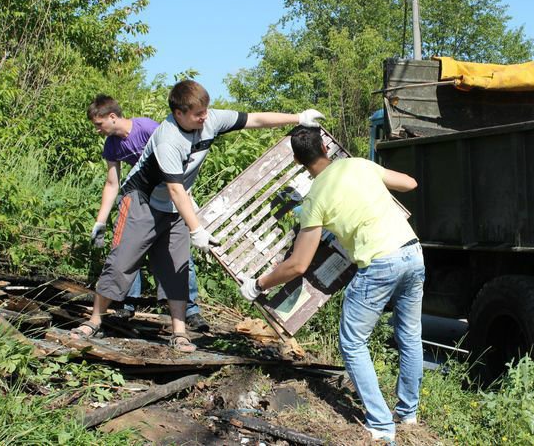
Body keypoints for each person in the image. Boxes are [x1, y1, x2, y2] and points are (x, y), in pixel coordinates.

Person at [71, 80, 325, 353]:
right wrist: (197, 230)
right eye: (197, 113)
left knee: (177, 266)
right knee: (122, 262)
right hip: (142, 201)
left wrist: (299, 117)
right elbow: (175, 189)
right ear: (179, 114)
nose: (205, 116)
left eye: (205, 110)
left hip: (175, 205)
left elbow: (255, 119)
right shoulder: (168, 139)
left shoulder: (210, 118)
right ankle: (94, 320)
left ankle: (179, 333)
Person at [239, 127, 424, 445]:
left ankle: (381, 426)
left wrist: (258, 284)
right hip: (412, 251)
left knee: (353, 343)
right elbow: (409, 183)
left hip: (379, 262)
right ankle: (407, 414)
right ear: (325, 146)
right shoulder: (360, 165)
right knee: (409, 336)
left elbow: (298, 264)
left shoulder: (315, 199)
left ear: (298, 161)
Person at [87, 95, 209, 331]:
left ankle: (191, 311)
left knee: (179, 256)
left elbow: (179, 157)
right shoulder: (112, 144)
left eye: (99, 124)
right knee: (128, 250)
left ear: (112, 117)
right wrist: (100, 221)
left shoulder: (146, 128)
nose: (98, 130)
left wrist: (186, 196)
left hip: (171, 195)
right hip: (141, 199)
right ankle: (127, 304)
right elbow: (112, 183)